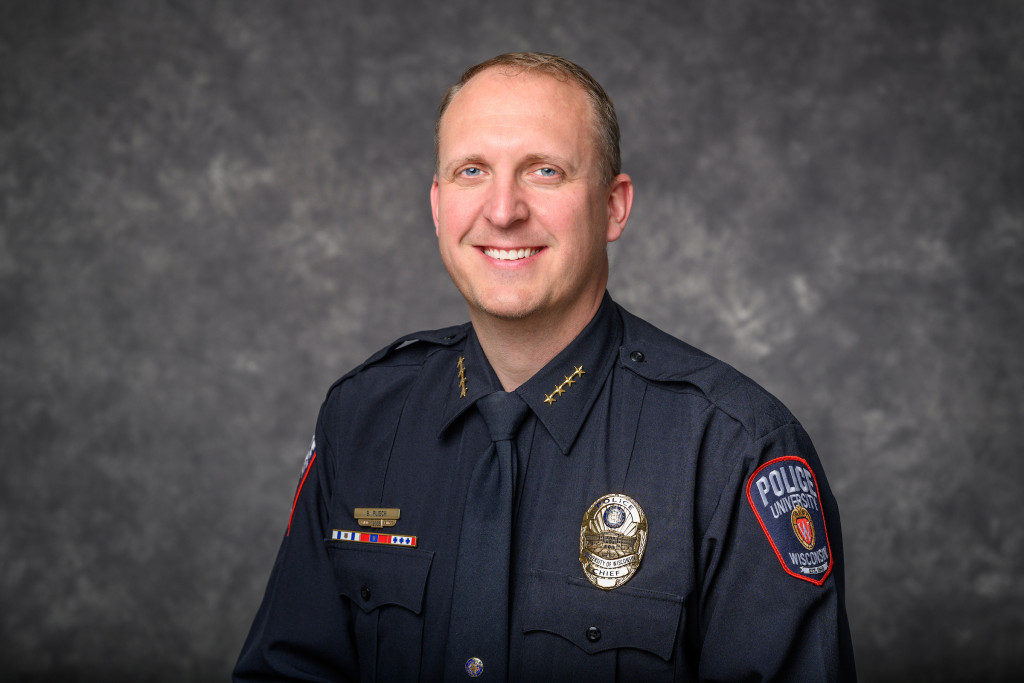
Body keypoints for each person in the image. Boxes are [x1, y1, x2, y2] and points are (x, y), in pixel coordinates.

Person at [234, 52, 856, 682]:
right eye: (471, 171)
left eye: (545, 171)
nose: (503, 211)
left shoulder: (733, 449)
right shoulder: (363, 417)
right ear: (437, 203)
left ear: (614, 207)